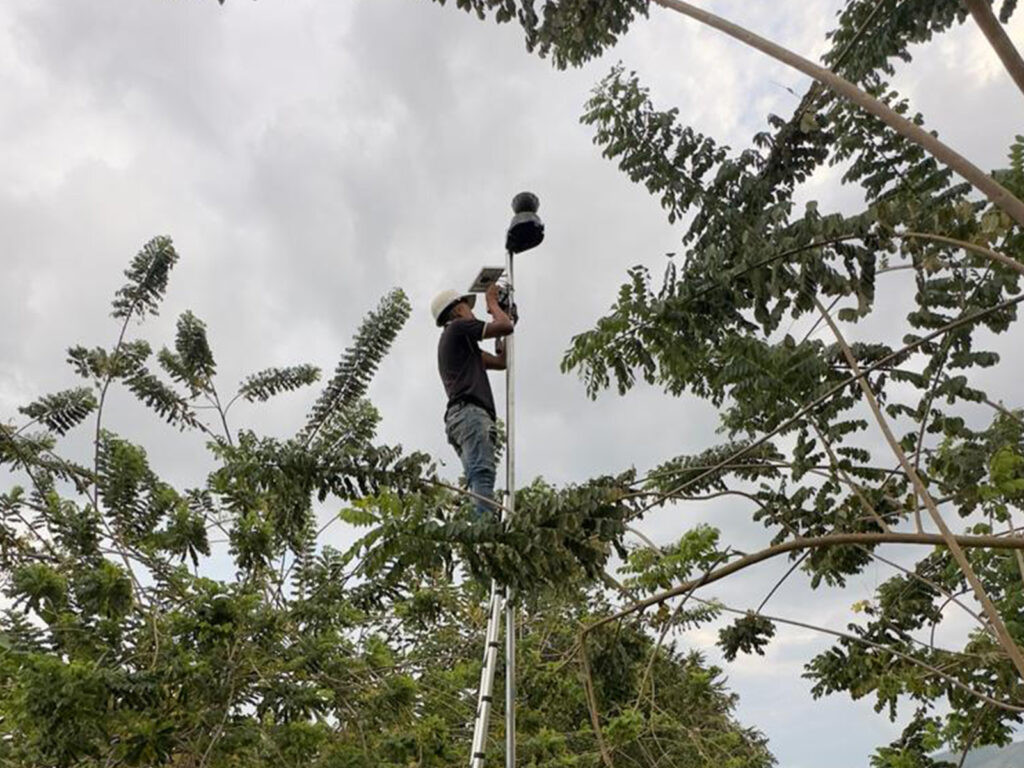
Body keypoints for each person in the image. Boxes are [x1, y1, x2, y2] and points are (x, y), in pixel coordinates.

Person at [432, 283, 514, 520]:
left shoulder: (461, 345)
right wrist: (493, 305)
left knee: (477, 477)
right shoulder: (457, 328)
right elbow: (505, 326)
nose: (472, 313)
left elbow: (501, 362)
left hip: (461, 418)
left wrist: (502, 322)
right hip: (470, 414)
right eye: (468, 308)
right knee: (482, 474)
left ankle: (480, 530)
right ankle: (483, 534)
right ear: (458, 311)